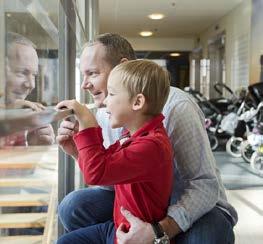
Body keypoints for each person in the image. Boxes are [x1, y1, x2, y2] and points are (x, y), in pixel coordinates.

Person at [57, 33, 238, 244]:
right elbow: (110, 177)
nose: (84, 85)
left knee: (206, 238)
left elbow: (204, 186)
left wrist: (158, 231)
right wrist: (78, 152)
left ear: (122, 67)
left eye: (93, 73)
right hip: (143, 202)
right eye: (83, 75)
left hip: (194, 205)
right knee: (72, 207)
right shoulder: (106, 114)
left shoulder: (177, 107)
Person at [56, 60, 173, 243]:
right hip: (119, 226)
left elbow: (96, 173)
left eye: (111, 94)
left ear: (137, 102)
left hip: (136, 236)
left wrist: (88, 123)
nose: (105, 100)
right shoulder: (133, 135)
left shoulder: (152, 146)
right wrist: (77, 151)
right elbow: (103, 167)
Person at [1, 32, 54, 146]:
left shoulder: (22, 118)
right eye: (22, 73)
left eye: (34, 75)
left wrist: (35, 146)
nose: (31, 85)